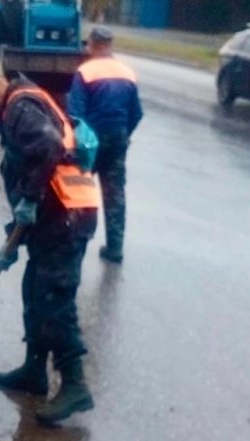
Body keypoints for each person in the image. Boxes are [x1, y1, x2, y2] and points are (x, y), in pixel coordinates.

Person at [0, 60, 100, 425]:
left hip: (67, 214)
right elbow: (29, 167)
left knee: (53, 298)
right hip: (53, 215)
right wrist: (16, 228)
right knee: (33, 290)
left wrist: (31, 201)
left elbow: (49, 147)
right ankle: (35, 371)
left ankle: (74, 384)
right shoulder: (15, 105)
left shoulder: (20, 107)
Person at [68, 26, 143, 264]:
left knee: (80, 190)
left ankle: (76, 243)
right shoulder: (127, 73)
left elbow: (76, 112)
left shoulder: (85, 71)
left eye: (88, 44)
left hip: (92, 140)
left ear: (94, 45)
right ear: (109, 46)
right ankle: (115, 249)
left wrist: (78, 142)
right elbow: (136, 113)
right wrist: (124, 134)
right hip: (118, 138)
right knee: (115, 194)